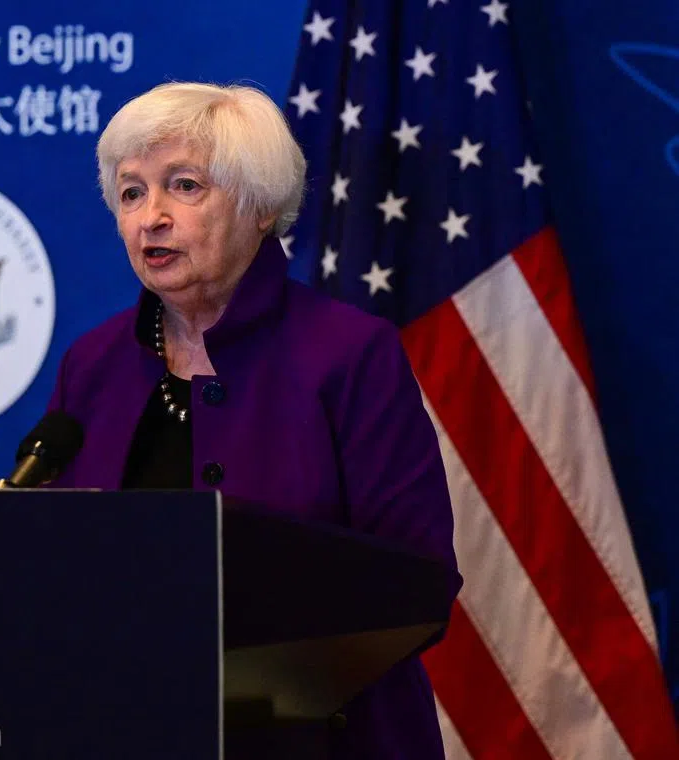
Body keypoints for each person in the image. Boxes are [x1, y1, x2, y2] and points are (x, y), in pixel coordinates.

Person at [43, 81, 462, 758]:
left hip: (323, 741)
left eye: (182, 186)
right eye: (130, 193)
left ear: (260, 206)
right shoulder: (93, 365)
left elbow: (419, 580)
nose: (150, 217)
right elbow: (50, 561)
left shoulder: (349, 354)